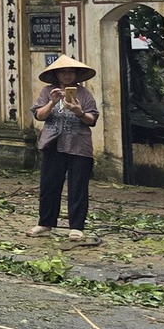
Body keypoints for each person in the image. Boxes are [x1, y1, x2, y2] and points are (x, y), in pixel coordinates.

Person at [28, 54, 100, 240]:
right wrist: (52, 101)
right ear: (57, 74)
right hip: (53, 144)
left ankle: (76, 227)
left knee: (78, 187)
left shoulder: (84, 94)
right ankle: (45, 223)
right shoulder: (47, 92)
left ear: (76, 75)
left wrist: (79, 112)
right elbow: (39, 115)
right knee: (49, 185)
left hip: (79, 145)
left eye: (71, 72)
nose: (67, 75)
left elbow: (92, 119)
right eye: (63, 72)